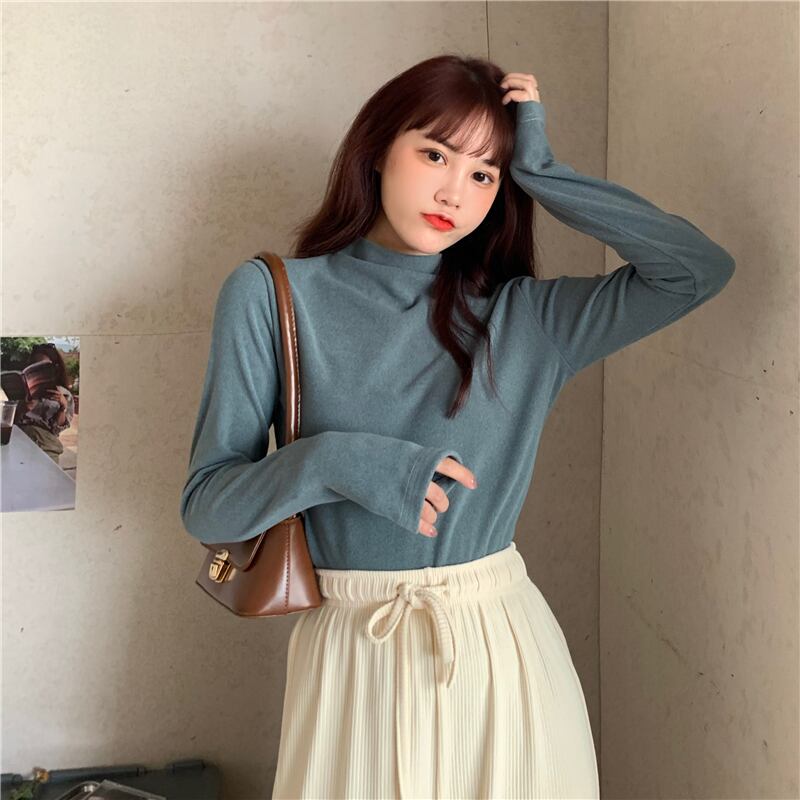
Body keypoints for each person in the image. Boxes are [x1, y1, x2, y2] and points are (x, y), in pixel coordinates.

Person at [180, 55, 735, 799]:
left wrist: (543, 171)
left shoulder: (526, 319)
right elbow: (209, 507)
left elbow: (697, 270)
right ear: (378, 150)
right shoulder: (271, 295)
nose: (454, 192)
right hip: (352, 661)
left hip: (500, 657)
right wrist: (336, 461)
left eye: (484, 173)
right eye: (436, 155)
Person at [17, 343, 75, 464]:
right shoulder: (22, 391)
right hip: (19, 441)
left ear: (55, 368)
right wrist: (23, 408)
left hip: (45, 446)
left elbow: (56, 429)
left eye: (44, 366)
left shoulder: (64, 394)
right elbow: (9, 420)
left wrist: (62, 408)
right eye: (35, 365)